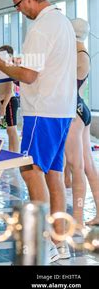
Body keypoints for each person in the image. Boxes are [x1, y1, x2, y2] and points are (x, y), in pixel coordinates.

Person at [0, 0, 76, 262]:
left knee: (31, 170)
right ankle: (61, 242)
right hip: (62, 109)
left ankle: (42, 240)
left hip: (42, 111)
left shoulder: (40, 28)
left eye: (17, 5)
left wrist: (0, 64)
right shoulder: (63, 22)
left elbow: (30, 76)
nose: (18, 11)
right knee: (54, 175)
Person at [64, 18, 99, 226]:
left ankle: (77, 218)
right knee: (87, 165)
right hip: (79, 109)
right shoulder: (78, 53)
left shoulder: (79, 56)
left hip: (73, 112)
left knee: (77, 166)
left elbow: (67, 86)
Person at [0, 45, 20, 152]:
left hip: (9, 101)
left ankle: (15, 153)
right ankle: (12, 151)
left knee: (12, 129)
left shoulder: (9, 67)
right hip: (6, 101)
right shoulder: (4, 68)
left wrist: (3, 107)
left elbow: (10, 91)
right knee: (9, 130)